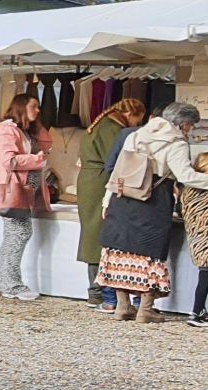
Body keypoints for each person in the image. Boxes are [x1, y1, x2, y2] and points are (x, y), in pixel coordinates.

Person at [97, 102, 208, 322]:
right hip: (152, 201)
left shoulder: (136, 135)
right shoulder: (176, 142)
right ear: (184, 123)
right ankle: (145, 310)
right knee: (150, 255)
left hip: (123, 198)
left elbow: (119, 170)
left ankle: (122, 307)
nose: (190, 130)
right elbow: (185, 176)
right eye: (191, 126)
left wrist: (107, 200)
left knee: (120, 252)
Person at [77, 99, 146, 313]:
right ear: (131, 114)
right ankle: (98, 292)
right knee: (99, 234)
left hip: (90, 180)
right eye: (138, 120)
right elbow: (115, 160)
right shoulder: (112, 129)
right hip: (100, 182)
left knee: (91, 233)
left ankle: (95, 292)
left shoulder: (101, 124)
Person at [0, 94, 49, 301]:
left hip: (21, 191)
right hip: (10, 191)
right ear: (20, 107)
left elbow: (46, 142)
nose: (38, 110)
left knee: (16, 234)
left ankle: (9, 282)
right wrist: (36, 160)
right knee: (18, 234)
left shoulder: (21, 130)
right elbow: (8, 161)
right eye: (33, 106)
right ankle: (11, 284)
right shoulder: (5, 130)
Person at [179, 153, 208, 327]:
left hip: (197, 239)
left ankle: (198, 311)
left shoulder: (188, 190)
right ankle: (197, 313)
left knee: (204, 275)